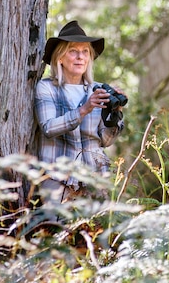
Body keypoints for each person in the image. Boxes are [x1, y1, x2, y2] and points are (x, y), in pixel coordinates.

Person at [34, 20, 126, 202]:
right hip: (57, 177)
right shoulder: (47, 88)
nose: (80, 57)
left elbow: (106, 141)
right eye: (73, 51)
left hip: (95, 176)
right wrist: (84, 109)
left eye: (85, 52)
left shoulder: (98, 90)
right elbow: (48, 128)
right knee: (56, 229)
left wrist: (115, 115)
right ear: (60, 57)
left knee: (97, 230)